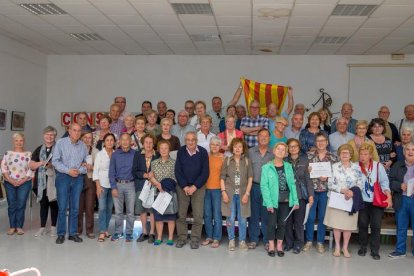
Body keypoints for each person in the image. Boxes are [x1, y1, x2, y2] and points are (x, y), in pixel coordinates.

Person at [260, 142, 299, 257]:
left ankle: (279, 246)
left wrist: (295, 200)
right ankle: (271, 246)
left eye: (283, 150)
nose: (281, 151)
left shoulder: (288, 166)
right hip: (272, 202)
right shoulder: (266, 167)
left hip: (286, 201)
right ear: (274, 151)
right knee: (271, 224)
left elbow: (292, 184)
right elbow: (264, 186)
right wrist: (268, 203)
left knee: (283, 224)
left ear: (286, 153)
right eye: (279, 149)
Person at [324, 144, 363, 258]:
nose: (344, 155)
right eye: (342, 153)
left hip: (350, 199)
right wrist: (342, 190)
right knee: (336, 225)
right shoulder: (334, 166)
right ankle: (337, 247)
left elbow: (360, 183)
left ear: (351, 155)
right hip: (337, 199)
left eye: (347, 153)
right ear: (339, 155)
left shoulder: (356, 167)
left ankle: (345, 248)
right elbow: (330, 183)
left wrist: (352, 192)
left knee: (347, 225)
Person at [52, 123, 88, 244]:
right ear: (69, 130)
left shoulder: (83, 146)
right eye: (74, 130)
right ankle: (61, 234)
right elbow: (55, 161)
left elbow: (85, 163)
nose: (77, 133)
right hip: (63, 177)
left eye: (79, 131)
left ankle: (73, 233)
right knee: (62, 207)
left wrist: (80, 170)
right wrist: (68, 171)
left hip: (77, 178)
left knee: (75, 208)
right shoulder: (60, 143)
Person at [304, 132, 338, 253]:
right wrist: (307, 170)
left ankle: (320, 242)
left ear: (327, 142)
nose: (321, 143)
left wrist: (328, 178)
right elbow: (305, 175)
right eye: (318, 141)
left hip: (326, 192)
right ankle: (308, 241)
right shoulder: (308, 156)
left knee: (323, 217)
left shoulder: (333, 158)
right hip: (312, 191)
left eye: (323, 140)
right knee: (310, 217)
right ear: (315, 143)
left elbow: (337, 176)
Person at [175, 131, 209, 249]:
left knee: (198, 215)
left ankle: (195, 239)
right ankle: (182, 237)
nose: (190, 142)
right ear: (185, 141)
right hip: (182, 187)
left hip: (198, 187)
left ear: (196, 141)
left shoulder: (203, 152)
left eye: (193, 139)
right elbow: (178, 171)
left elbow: (205, 173)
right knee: (181, 214)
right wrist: (185, 186)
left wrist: (194, 186)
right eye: (188, 139)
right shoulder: (181, 151)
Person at [357, 143, 392, 260]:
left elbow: (384, 182)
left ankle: (375, 250)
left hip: (376, 201)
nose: (362, 156)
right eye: (361, 154)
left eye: (365, 154)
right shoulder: (356, 167)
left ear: (370, 155)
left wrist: (388, 195)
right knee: (362, 225)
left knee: (376, 226)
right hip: (362, 201)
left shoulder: (378, 166)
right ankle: (362, 247)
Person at [220, 138, 253, 251]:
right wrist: (223, 192)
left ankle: (242, 241)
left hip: (243, 193)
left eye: (240, 146)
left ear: (243, 148)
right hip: (229, 193)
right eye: (235, 146)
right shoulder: (228, 160)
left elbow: (250, 178)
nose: (237, 148)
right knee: (230, 217)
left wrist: (247, 194)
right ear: (232, 149)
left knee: (242, 218)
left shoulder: (247, 161)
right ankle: (231, 240)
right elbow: (222, 177)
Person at [284, 138, 314, 254]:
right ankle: (289, 243)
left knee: (298, 221)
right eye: (291, 146)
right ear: (288, 148)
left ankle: (298, 244)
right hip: (287, 195)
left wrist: (311, 195)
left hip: (300, 195)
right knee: (287, 221)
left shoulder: (305, 160)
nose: (293, 148)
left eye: (295, 146)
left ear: (299, 147)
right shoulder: (284, 160)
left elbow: (308, 179)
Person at [1, 133, 33, 235]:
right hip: (9, 183)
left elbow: (31, 169)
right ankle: (12, 226)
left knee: (21, 204)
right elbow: (3, 168)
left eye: (21, 141)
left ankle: (19, 226)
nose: (19, 143)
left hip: (24, 183)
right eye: (16, 140)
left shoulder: (28, 154)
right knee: (11, 204)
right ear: (13, 141)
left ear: (24, 141)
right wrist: (10, 180)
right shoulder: (7, 153)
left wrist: (22, 181)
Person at [247, 129, 274, 250]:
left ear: (269, 138)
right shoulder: (250, 152)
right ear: (257, 138)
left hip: (268, 189)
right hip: (254, 186)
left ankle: (267, 240)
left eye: (266, 136)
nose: (263, 138)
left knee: (267, 215)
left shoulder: (274, 152)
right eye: (261, 136)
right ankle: (253, 239)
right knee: (253, 214)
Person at [30, 126, 58, 237]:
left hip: (54, 181)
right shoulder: (38, 149)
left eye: (52, 135)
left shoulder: (59, 148)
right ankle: (42, 228)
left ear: (55, 136)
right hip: (41, 182)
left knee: (54, 204)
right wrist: (41, 163)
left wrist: (52, 165)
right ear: (43, 136)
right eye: (47, 134)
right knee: (43, 204)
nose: (49, 137)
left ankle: (53, 228)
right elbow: (31, 165)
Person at [148, 140, 177, 246]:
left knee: (171, 216)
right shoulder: (154, 163)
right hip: (157, 192)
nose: (164, 150)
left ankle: (170, 238)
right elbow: (151, 177)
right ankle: (159, 237)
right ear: (158, 150)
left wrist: (164, 186)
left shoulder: (174, 163)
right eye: (162, 148)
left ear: (169, 150)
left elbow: (175, 178)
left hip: (170, 193)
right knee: (158, 217)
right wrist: (158, 185)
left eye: (166, 148)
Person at [132, 133, 159, 243]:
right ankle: (144, 232)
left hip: (153, 186)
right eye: (146, 142)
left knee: (152, 210)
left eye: (150, 142)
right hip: (141, 185)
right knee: (142, 210)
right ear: (143, 143)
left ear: (153, 144)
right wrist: (144, 175)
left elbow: (160, 169)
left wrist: (154, 175)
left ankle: (152, 233)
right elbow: (134, 171)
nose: (148, 144)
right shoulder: (138, 154)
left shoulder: (157, 155)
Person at [109, 133, 136, 242]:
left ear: (131, 141)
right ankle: (118, 232)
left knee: (130, 211)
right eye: (123, 140)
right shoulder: (115, 154)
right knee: (118, 211)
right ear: (119, 141)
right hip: (118, 185)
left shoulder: (135, 154)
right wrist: (113, 187)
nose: (125, 142)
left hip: (131, 185)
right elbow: (111, 172)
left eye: (127, 140)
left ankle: (129, 233)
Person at [389, 143, 414, 258]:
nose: (410, 152)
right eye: (407, 149)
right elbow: (390, 181)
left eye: (413, 150)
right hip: (401, 199)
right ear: (403, 153)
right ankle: (400, 251)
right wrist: (400, 185)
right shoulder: (397, 165)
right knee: (401, 227)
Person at [202, 137, 224, 248]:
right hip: (206, 189)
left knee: (217, 215)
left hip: (218, 190)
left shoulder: (224, 159)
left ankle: (216, 238)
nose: (214, 146)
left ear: (220, 146)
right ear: (209, 145)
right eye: (212, 144)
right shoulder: (206, 157)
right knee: (207, 214)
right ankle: (209, 236)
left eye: (217, 145)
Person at [93, 133, 116, 242]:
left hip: (113, 185)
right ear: (104, 142)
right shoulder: (99, 154)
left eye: (112, 140)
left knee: (109, 208)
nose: (110, 142)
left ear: (114, 142)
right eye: (107, 140)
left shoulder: (116, 154)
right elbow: (95, 170)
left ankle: (105, 228)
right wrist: (97, 185)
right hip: (102, 184)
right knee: (102, 208)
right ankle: (102, 231)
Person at [77, 131, 99, 239]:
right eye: (85, 137)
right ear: (81, 138)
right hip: (78, 178)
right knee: (79, 206)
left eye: (89, 138)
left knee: (90, 206)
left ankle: (90, 230)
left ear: (92, 139)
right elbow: (72, 162)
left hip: (91, 178)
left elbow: (99, 168)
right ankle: (78, 229)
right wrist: (81, 164)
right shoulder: (76, 149)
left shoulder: (96, 151)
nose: (87, 139)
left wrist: (92, 167)